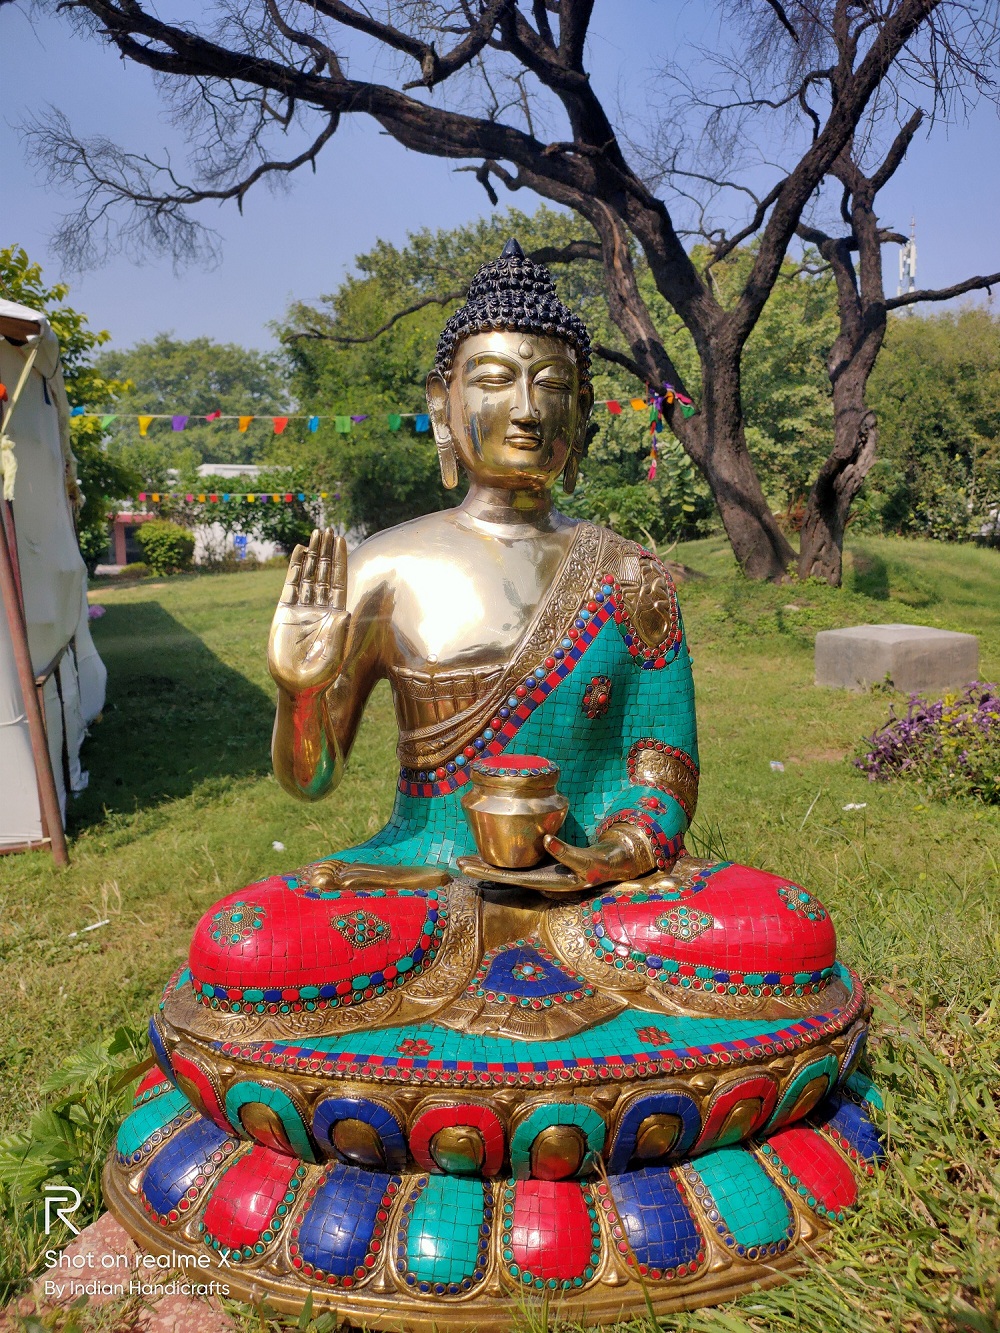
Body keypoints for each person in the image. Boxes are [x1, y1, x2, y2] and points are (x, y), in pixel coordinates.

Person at [105, 243, 880, 1325]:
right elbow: (312, 782)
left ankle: (370, 1156)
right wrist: (296, 688)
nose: (528, 407)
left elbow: (662, 769)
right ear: (440, 403)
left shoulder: (631, 573)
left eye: (555, 385)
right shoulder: (383, 565)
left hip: (602, 899)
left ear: (587, 421)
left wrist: (612, 852)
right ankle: (667, 1152)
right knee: (243, 948)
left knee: (785, 928)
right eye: (498, 378)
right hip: (421, 880)